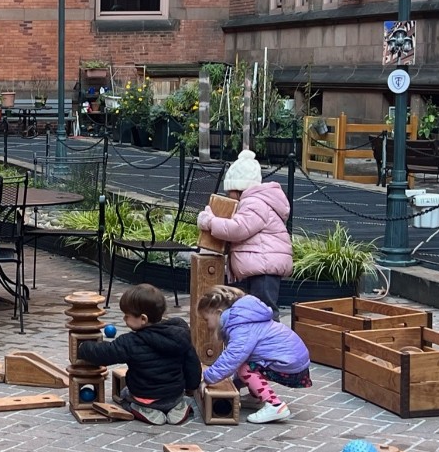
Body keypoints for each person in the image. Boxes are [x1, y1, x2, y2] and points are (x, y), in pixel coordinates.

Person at [76, 284, 200, 425]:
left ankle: (142, 409)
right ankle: (179, 407)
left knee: (124, 394)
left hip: (145, 397)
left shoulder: (131, 342)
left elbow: (106, 353)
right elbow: (192, 363)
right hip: (174, 395)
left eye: (127, 316)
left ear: (143, 319)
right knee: (173, 397)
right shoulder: (180, 335)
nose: (124, 319)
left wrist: (83, 347)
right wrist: (191, 386)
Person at [197, 150, 292, 318]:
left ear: (239, 187)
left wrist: (210, 221)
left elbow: (238, 229)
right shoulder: (254, 201)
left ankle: (272, 342)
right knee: (254, 311)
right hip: (259, 266)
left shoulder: (254, 202)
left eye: (230, 191)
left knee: (264, 311)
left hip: (263, 268)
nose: (228, 195)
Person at [196, 285, 311, 424]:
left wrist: (208, 378)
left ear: (219, 313)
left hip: (289, 363)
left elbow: (233, 357)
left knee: (245, 368)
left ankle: (275, 405)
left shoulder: (241, 326)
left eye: (206, 320)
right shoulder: (244, 318)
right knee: (244, 364)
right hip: (293, 360)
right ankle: (256, 396)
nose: (207, 325)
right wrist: (233, 384)